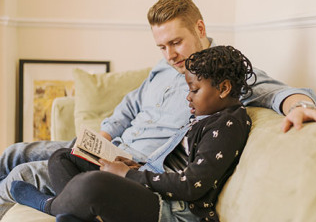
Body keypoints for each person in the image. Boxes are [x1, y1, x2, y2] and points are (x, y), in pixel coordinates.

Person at [0, 0, 316, 217]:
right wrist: (100, 137)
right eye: (162, 46)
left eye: (176, 42)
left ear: (199, 28)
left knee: (21, 174)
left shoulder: (221, 77)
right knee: (16, 152)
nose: (170, 54)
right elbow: (131, 106)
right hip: (111, 147)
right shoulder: (163, 67)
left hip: (140, 165)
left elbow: (281, 93)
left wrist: (299, 107)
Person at [11, 45, 256, 222]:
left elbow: (191, 185)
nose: (188, 96)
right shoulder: (208, 116)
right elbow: (171, 164)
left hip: (175, 209)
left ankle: (51, 205)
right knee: (64, 157)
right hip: (153, 184)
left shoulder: (228, 125)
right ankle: (75, 214)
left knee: (93, 184)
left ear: (224, 88)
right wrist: (137, 167)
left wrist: (128, 175)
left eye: (194, 89)